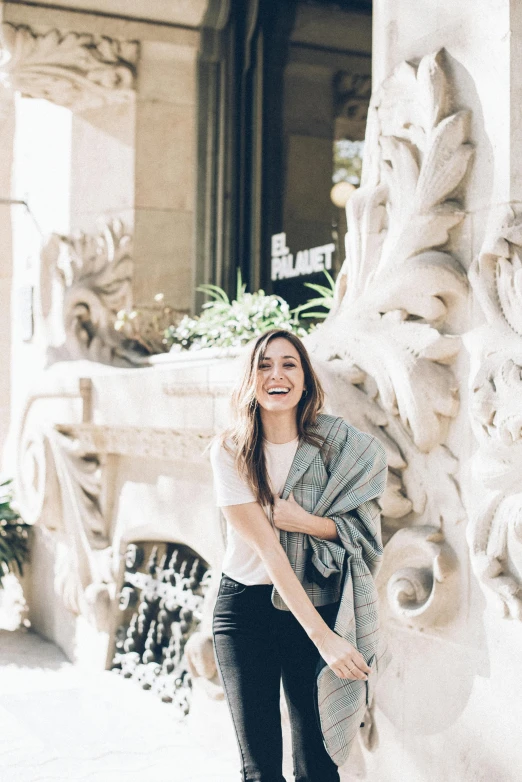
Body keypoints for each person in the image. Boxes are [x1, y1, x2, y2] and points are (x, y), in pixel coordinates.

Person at [210, 328, 387, 782]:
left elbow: (363, 533)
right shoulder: (231, 451)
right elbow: (269, 549)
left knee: (318, 763)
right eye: (264, 365)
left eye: (289, 364)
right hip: (247, 610)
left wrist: (305, 521)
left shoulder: (334, 447)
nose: (277, 374)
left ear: (305, 379)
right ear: (250, 379)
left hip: (318, 599)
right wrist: (325, 641)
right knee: (261, 769)